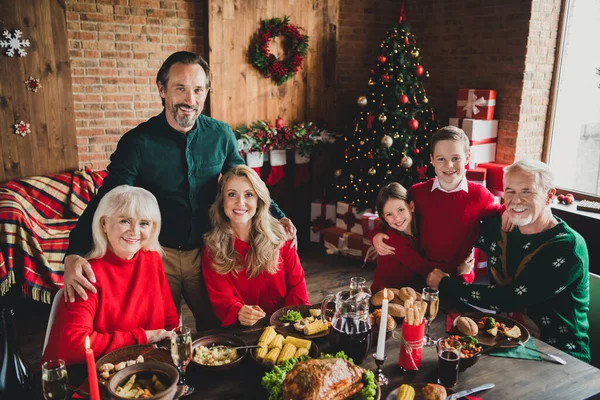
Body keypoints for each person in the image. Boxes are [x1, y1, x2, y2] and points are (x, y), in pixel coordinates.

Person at [62, 51, 295, 331]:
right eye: (180, 88)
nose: (190, 99)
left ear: (206, 92)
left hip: (209, 253)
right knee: (163, 332)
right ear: (162, 89)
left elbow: (248, 184)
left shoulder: (220, 135)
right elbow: (107, 198)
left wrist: (278, 215)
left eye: (198, 90)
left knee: (217, 330)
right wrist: (74, 251)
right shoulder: (137, 142)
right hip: (159, 257)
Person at [427, 160, 590, 362]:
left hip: (560, 355)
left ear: (549, 196)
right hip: (503, 342)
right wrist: (386, 234)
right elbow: (455, 230)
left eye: (526, 192)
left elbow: (511, 297)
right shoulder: (499, 226)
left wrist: (446, 284)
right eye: (510, 191)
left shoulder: (567, 248)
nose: (516, 200)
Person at [42, 186, 179, 365]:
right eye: (125, 221)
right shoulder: (87, 272)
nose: (135, 231)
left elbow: (170, 321)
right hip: (88, 373)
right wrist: (143, 337)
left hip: (142, 366)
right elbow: (73, 345)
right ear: (104, 223)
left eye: (144, 223)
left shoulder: (152, 259)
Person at [373, 126, 503, 283]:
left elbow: (499, 212)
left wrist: (508, 211)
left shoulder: (479, 195)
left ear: (467, 158)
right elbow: (395, 214)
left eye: (456, 158)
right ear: (432, 160)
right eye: (441, 158)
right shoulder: (418, 192)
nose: (449, 165)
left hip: (458, 277)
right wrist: (376, 234)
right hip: (420, 277)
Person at [201, 165, 309, 327]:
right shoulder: (213, 248)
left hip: (289, 325)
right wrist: (239, 312)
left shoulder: (281, 235)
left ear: (259, 201)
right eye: (231, 194)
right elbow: (223, 301)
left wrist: (281, 323)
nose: (240, 202)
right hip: (244, 331)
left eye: (249, 194)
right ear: (222, 202)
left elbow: (297, 287)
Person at [371, 182, 472, 293]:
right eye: (389, 214)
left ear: (411, 206)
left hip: (410, 290)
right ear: (384, 217)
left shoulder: (420, 224)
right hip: (387, 294)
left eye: (401, 210)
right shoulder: (393, 240)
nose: (397, 218)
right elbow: (422, 267)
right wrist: (458, 270)